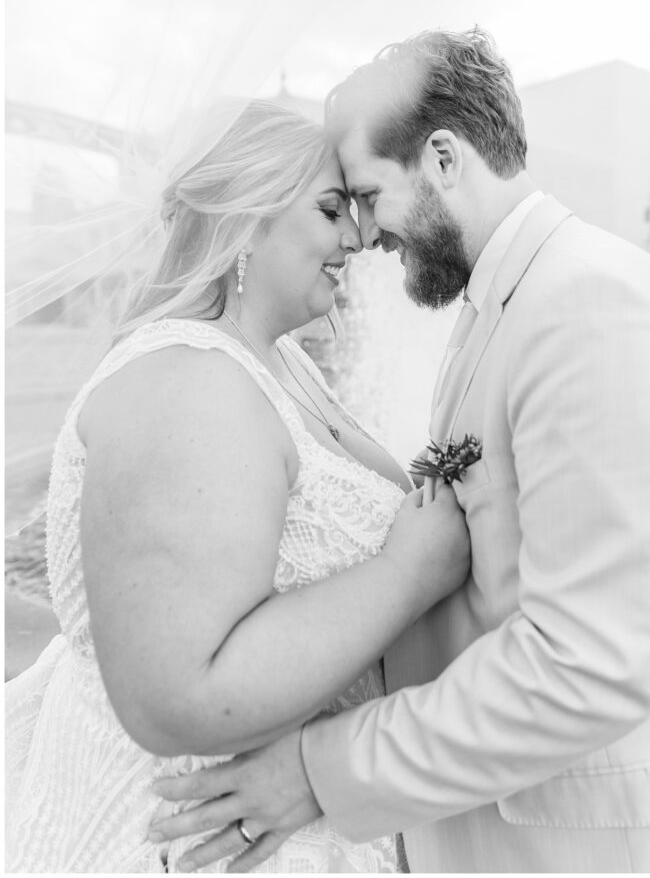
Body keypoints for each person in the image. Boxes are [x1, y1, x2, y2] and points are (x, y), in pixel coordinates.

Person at [150, 30, 650, 874]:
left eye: (365, 194)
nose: (366, 236)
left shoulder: (585, 307)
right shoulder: (510, 301)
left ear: (442, 158)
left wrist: (318, 772)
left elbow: (590, 662)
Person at [5, 99, 472, 873]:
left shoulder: (271, 363)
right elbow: (178, 695)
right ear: (246, 220)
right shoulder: (190, 383)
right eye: (331, 211)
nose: (358, 239)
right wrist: (408, 573)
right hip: (189, 845)